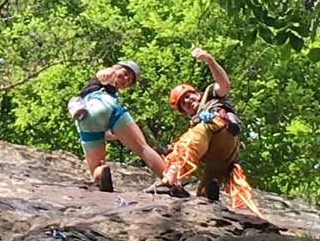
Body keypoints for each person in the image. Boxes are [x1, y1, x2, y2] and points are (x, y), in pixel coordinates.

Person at [156, 47, 261, 216]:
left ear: (196, 94)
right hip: (219, 157)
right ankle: (209, 192)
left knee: (186, 144)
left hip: (220, 128)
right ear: (184, 111)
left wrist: (209, 60)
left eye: (189, 96)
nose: (188, 101)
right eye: (183, 103)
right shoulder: (194, 124)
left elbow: (224, 84)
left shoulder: (211, 95)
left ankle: (170, 178)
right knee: (203, 193)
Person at [68, 60, 166, 192]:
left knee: (96, 167)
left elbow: (104, 129)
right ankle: (169, 180)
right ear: (117, 67)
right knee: (142, 148)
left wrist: (117, 135)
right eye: (125, 73)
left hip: (86, 118)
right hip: (104, 103)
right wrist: (110, 72)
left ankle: (101, 172)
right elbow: (104, 74)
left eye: (129, 80)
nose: (126, 79)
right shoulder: (107, 74)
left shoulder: (90, 88)